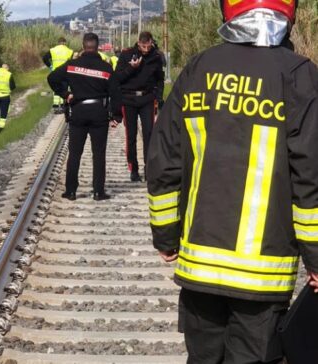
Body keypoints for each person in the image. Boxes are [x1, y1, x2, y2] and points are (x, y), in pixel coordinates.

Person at [147, 1, 318, 363]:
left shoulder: (198, 68)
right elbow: (311, 178)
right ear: (290, 12)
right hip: (262, 278)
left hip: (199, 268)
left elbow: (164, 160)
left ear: (228, 10)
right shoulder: (299, 75)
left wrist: (165, 235)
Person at [47, 32, 122, 201]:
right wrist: (117, 116)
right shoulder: (106, 68)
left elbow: (52, 78)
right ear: (97, 47)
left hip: (78, 112)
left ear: (83, 46)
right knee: (99, 154)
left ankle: (71, 191)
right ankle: (98, 192)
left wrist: (65, 94)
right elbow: (116, 92)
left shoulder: (72, 65)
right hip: (99, 113)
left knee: (74, 153)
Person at [115, 31, 164, 182]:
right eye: (143, 46)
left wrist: (158, 97)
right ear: (138, 43)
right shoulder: (126, 54)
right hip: (129, 98)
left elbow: (160, 80)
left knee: (149, 134)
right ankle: (133, 168)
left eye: (148, 46)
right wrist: (131, 68)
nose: (146, 49)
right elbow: (117, 78)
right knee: (131, 135)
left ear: (151, 43)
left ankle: (148, 167)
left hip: (147, 99)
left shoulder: (156, 57)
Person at [43, 37, 73, 113]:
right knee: (64, 89)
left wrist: (50, 66)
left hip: (55, 73)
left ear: (58, 42)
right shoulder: (69, 51)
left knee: (56, 89)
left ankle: (56, 106)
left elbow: (45, 58)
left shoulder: (53, 50)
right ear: (65, 43)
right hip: (65, 73)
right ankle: (63, 106)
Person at [0, 64, 16, 133]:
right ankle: (0, 129)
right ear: (7, 68)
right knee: (3, 113)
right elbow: (13, 86)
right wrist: (8, 89)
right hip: (5, 96)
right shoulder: (9, 74)